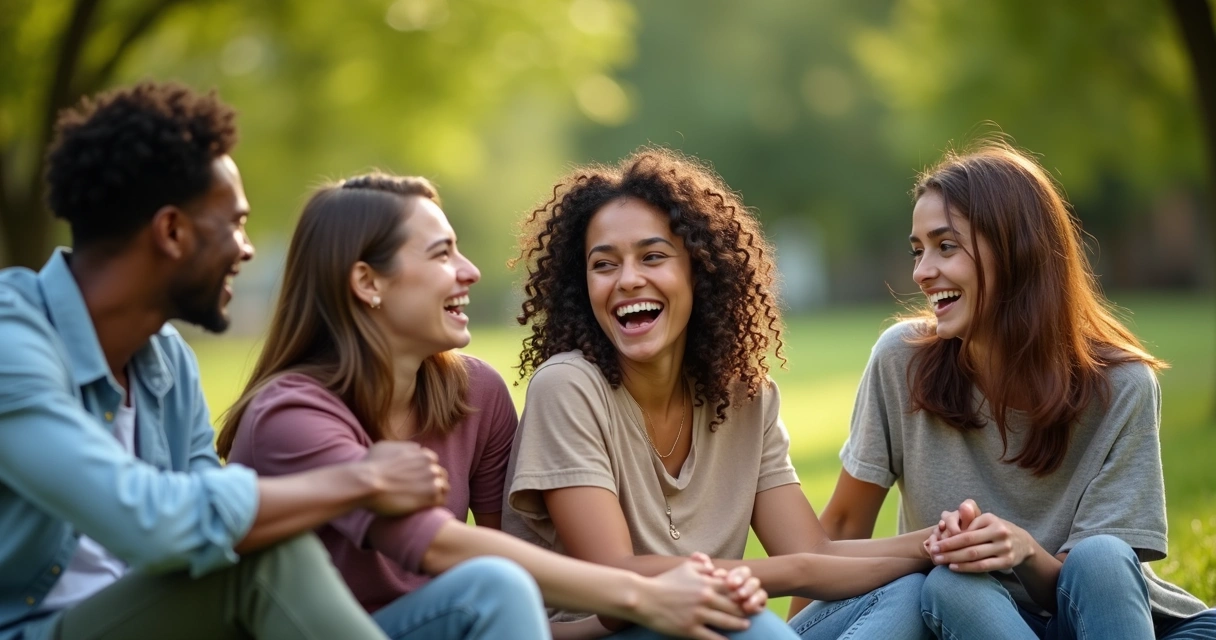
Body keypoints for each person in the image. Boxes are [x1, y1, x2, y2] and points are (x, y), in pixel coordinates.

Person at [217, 172, 768, 640]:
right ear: (367, 282)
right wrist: (639, 594)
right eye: (441, 254)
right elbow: (442, 551)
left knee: (735, 622)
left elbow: (524, 593)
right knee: (491, 584)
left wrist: (637, 609)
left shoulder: (474, 395)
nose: (470, 271)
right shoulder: (290, 418)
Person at [0, 82, 458, 640]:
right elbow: (151, 521)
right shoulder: (12, 342)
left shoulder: (166, 359)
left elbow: (215, 519)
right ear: (172, 231)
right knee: (266, 563)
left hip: (150, 621)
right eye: (235, 224)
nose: (247, 249)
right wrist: (359, 480)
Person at [504, 147, 934, 639]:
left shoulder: (746, 397)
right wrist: (790, 573)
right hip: (614, 631)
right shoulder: (568, 387)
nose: (627, 280)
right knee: (746, 624)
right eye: (604, 265)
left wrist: (935, 544)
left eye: (653, 257)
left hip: (717, 624)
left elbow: (813, 551)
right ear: (583, 286)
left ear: (699, 270)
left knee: (907, 592)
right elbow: (617, 580)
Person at [818, 139, 1216, 639]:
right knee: (948, 585)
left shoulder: (1123, 384)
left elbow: (1103, 582)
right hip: (975, 618)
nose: (921, 272)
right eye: (918, 251)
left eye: (946, 246)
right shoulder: (902, 359)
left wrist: (1023, 551)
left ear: (1017, 251)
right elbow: (840, 526)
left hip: (1109, 619)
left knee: (1102, 555)